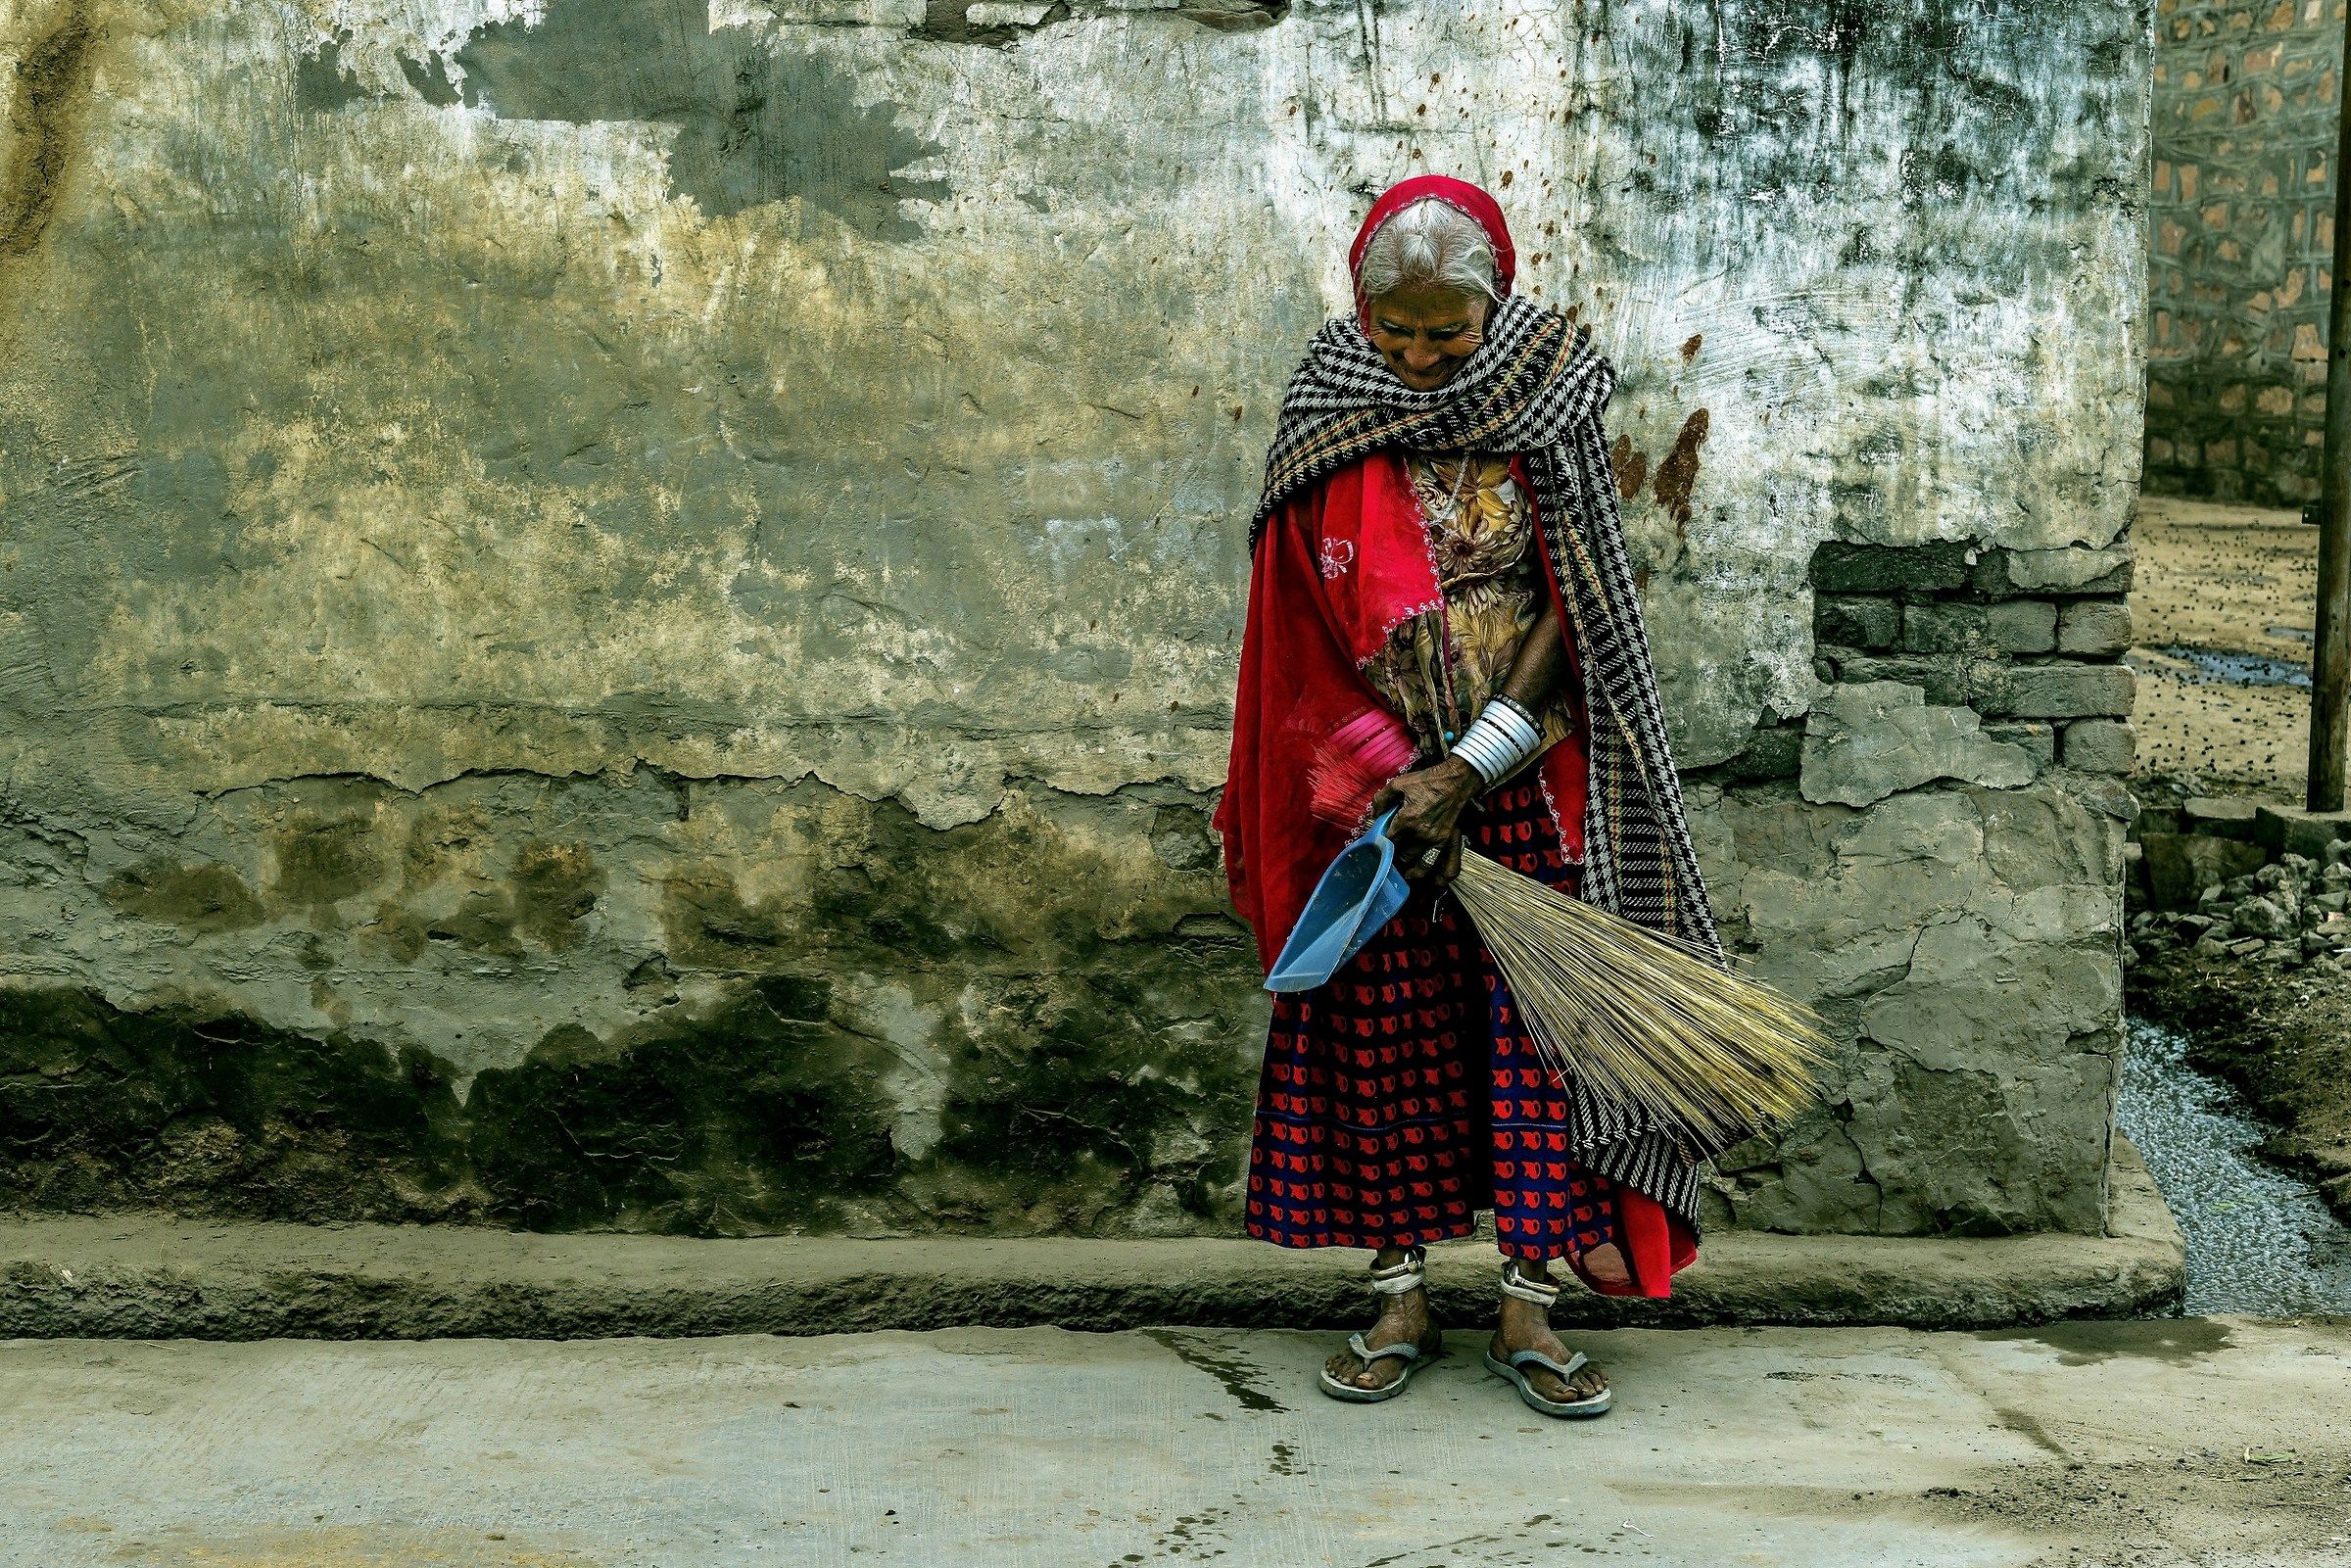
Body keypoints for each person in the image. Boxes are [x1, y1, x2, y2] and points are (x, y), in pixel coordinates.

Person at [1214, 175, 1731, 1418]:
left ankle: (1526, 1309)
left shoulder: (1549, 387)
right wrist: (1394, 781)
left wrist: (1473, 762)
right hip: (1372, 791)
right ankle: (1398, 1296)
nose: (1423, 356)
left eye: (1448, 333)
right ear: (1364, 307)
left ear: (1493, 303)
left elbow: (1583, 596)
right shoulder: (1330, 401)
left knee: (1536, 1046)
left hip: (1524, 781)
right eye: (1399, 330)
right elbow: (1295, 617)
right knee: (1385, 1035)